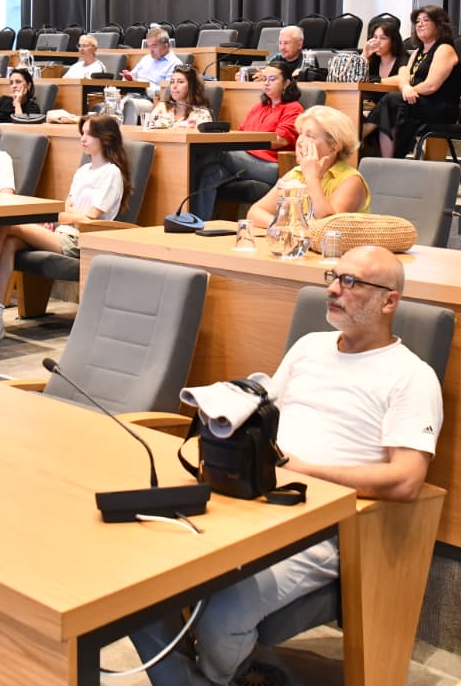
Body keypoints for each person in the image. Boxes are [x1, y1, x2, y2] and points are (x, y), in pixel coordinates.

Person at [129, 245, 442, 686]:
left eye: (350, 282)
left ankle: (210, 676)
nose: (333, 289)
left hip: (328, 526)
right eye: (333, 277)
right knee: (134, 576)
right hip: (257, 496)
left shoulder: (411, 376)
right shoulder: (310, 347)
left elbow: (407, 480)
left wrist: (306, 471)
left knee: (223, 614)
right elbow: (264, 412)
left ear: (389, 301)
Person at [0, 114, 129, 345]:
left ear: (105, 138)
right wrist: (68, 217)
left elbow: (90, 218)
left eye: (89, 134)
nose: (83, 138)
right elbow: (66, 210)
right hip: (63, 233)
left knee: (7, 223)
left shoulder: (111, 172)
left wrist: (68, 217)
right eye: (82, 133)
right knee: (8, 242)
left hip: (84, 241)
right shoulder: (83, 171)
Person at [192, 61, 304, 221]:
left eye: (272, 79)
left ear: (286, 83)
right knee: (211, 172)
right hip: (244, 159)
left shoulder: (293, 108)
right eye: (264, 79)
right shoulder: (259, 108)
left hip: (273, 166)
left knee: (218, 153)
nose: (267, 83)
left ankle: (189, 166)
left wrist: (249, 142)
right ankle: (198, 224)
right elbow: (241, 133)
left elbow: (280, 140)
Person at [242, 105, 369, 227]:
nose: (299, 142)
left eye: (309, 136)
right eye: (300, 134)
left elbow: (328, 226)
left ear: (333, 147)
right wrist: (287, 227)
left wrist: (312, 178)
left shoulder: (351, 181)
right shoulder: (296, 174)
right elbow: (255, 213)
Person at [364, 6, 461, 158]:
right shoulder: (418, 51)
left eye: (426, 20)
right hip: (419, 103)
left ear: (438, 25)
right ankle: (389, 158)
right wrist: (405, 86)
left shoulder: (444, 49)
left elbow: (431, 85)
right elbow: (404, 74)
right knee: (393, 106)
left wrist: (410, 90)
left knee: (393, 100)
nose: (420, 24)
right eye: (417, 21)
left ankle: (363, 135)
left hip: (439, 107)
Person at [146, 66, 213, 129]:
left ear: (191, 86)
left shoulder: (202, 114)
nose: (174, 86)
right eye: (172, 82)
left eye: (180, 82)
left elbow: (203, 137)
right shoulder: (161, 107)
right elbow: (147, 128)